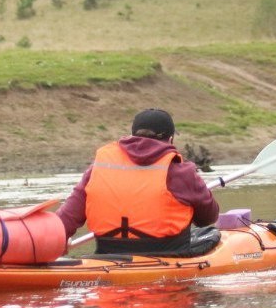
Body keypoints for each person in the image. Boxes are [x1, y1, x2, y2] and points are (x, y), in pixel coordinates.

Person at [57, 108, 220, 256]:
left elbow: (65, 221)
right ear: (170, 139)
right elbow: (208, 217)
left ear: (133, 135)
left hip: (107, 257)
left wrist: (53, 242)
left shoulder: (98, 169)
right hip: (169, 256)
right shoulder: (182, 172)